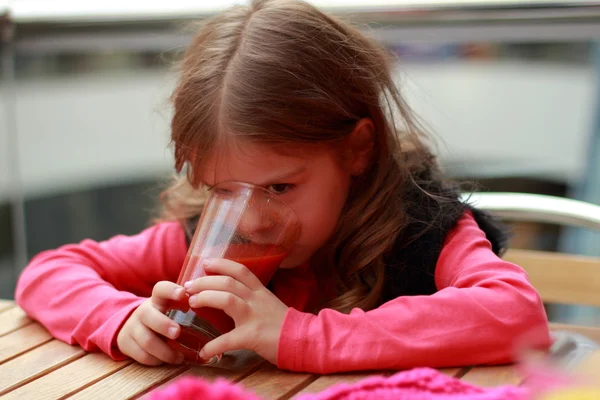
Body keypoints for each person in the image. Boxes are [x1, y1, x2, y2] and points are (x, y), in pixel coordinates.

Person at [15, 0, 550, 374]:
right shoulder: (209, 242)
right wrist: (122, 319)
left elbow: (516, 313)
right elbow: (48, 272)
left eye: (279, 187)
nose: (250, 221)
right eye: (224, 191)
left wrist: (298, 336)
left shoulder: (424, 228)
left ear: (356, 149)